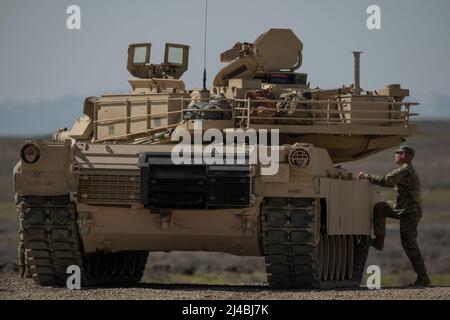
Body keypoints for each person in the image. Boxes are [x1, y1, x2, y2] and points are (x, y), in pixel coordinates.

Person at [357, 146, 431, 287]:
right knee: (380, 207)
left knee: (409, 244)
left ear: (407, 156)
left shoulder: (405, 170)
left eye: (399, 153)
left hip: (409, 211)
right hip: (401, 208)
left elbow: (387, 181)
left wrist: (366, 176)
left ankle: (423, 277)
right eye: (396, 153)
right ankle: (379, 241)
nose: (396, 155)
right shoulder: (405, 169)